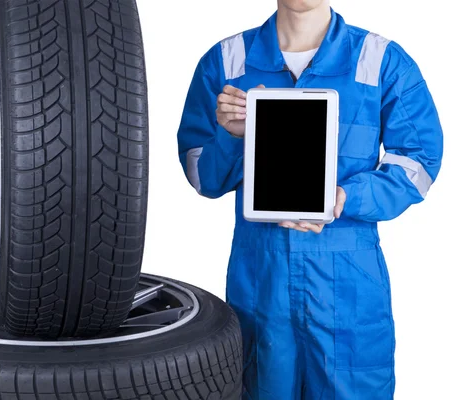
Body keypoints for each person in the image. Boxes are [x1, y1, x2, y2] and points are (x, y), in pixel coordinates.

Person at [176, 0, 444, 399]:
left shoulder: (380, 59)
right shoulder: (227, 61)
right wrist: (232, 136)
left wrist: (344, 198)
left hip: (349, 284)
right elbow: (201, 173)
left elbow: (419, 162)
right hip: (261, 283)